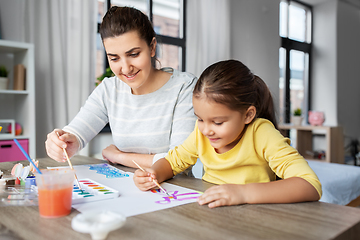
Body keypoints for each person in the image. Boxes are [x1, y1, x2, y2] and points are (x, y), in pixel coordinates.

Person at [133, 59, 322, 208]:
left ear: (248, 115)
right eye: (199, 118)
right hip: (212, 212)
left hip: (256, 217)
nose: (206, 130)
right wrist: (154, 173)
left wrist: (243, 194)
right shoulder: (202, 134)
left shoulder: (261, 132)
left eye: (218, 122)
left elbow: (310, 185)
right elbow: (172, 162)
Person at [45, 6, 197, 169]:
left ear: (152, 47)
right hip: (124, 187)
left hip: (172, 191)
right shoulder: (109, 90)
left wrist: (118, 156)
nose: (125, 68)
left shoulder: (184, 87)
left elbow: (180, 160)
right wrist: (63, 143)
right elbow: (75, 134)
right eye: (114, 58)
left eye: (133, 54)